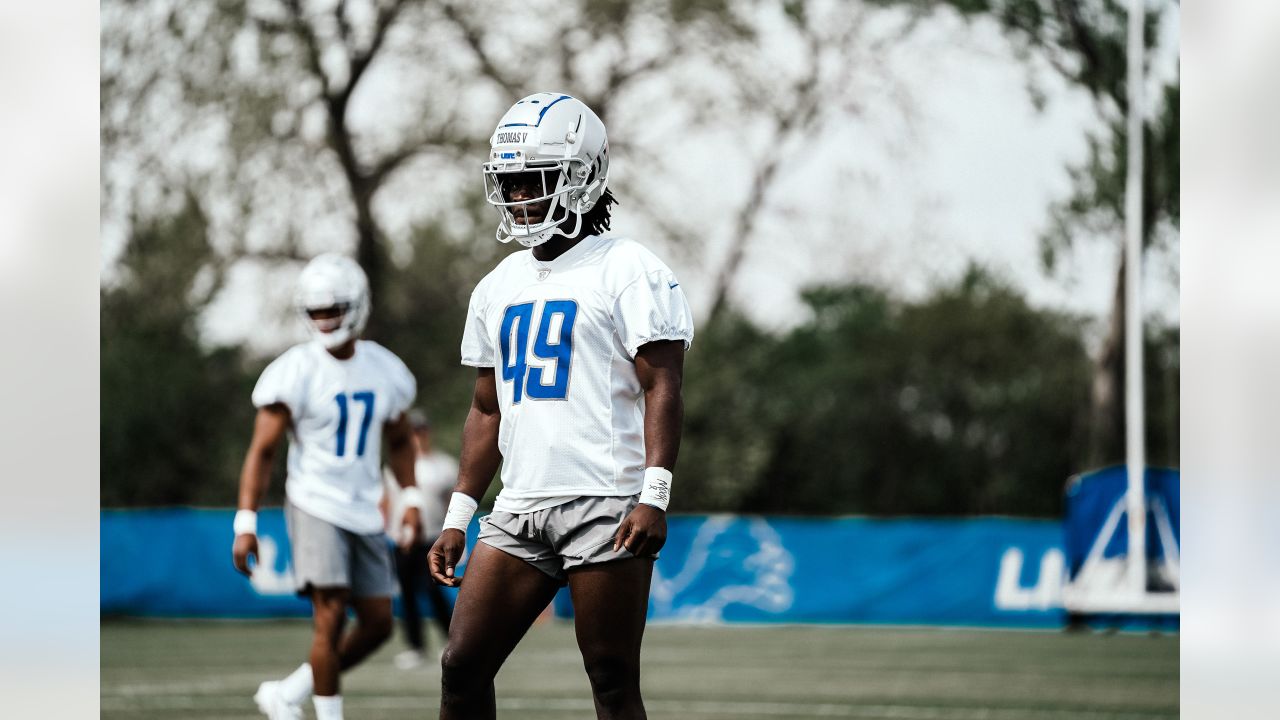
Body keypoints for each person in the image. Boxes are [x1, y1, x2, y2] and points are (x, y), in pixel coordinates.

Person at [429, 92, 694, 720]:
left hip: (605, 500)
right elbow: (486, 410)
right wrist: (458, 515)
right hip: (518, 505)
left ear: (582, 177)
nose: (520, 198)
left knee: (610, 679)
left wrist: (653, 495)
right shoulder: (497, 286)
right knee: (461, 665)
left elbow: (663, 385)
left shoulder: (628, 268)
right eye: (511, 183)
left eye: (534, 181)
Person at [232, 253, 423, 720]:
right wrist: (246, 520)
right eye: (315, 310)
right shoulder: (294, 370)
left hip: (362, 506)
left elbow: (399, 440)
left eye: (332, 309)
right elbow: (262, 452)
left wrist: (411, 498)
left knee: (378, 624)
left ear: (356, 307)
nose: (323, 319)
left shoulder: (385, 369)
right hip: (314, 500)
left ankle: (289, 692)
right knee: (331, 613)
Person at [381, 408, 457, 669]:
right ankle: (416, 646)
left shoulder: (444, 465)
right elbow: (387, 502)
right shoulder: (397, 466)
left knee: (434, 591)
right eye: (413, 431)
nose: (418, 436)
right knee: (408, 595)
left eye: (421, 430)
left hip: (432, 537)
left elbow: (451, 502)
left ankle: (451, 641)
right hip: (402, 540)